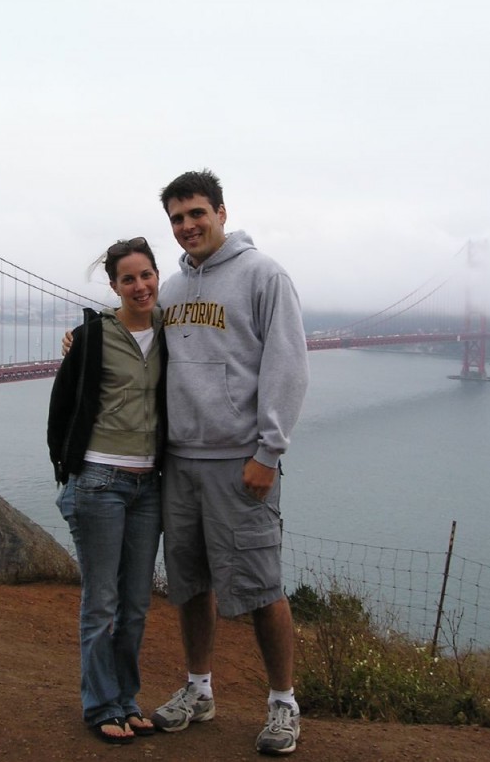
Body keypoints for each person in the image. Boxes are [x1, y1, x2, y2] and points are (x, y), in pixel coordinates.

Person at [149, 170, 309, 756]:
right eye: (176, 219)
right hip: (179, 462)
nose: (187, 226)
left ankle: (283, 703)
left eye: (196, 214)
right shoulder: (168, 289)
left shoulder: (263, 275)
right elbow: (143, 351)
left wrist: (269, 451)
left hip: (240, 463)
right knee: (189, 585)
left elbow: (288, 367)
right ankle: (199, 690)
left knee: (262, 587)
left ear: (221, 211)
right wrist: (81, 342)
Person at [46, 237, 167, 745]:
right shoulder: (93, 335)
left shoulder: (172, 330)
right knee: (102, 601)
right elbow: (61, 406)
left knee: (136, 603)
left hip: (150, 483)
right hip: (100, 480)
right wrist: (64, 467)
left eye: (146, 275)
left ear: (158, 276)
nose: (139, 286)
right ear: (114, 286)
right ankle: (100, 706)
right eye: (128, 279)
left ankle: (127, 699)